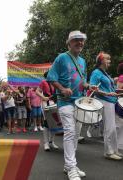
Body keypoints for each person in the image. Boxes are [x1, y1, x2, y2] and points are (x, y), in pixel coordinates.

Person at [47, 30, 92, 180]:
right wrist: (61, 88)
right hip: (65, 102)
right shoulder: (61, 58)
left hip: (79, 102)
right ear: (69, 43)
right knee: (70, 131)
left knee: (76, 134)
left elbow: (83, 80)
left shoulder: (83, 61)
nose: (80, 42)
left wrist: (88, 86)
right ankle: (71, 167)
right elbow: (51, 77)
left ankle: (70, 165)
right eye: (76, 40)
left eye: (81, 40)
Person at [90, 52, 122, 160]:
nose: (109, 62)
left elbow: (111, 89)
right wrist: (108, 94)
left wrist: (118, 91)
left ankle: (114, 150)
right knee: (109, 128)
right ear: (102, 60)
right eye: (108, 60)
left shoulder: (105, 74)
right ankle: (108, 152)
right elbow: (93, 89)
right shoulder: (96, 73)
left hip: (110, 101)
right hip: (104, 101)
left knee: (113, 128)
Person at [36, 71, 59, 151]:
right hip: (46, 103)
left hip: (54, 103)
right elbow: (37, 91)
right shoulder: (43, 82)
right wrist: (43, 97)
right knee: (46, 123)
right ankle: (46, 143)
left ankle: (51, 141)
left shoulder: (55, 83)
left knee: (55, 123)